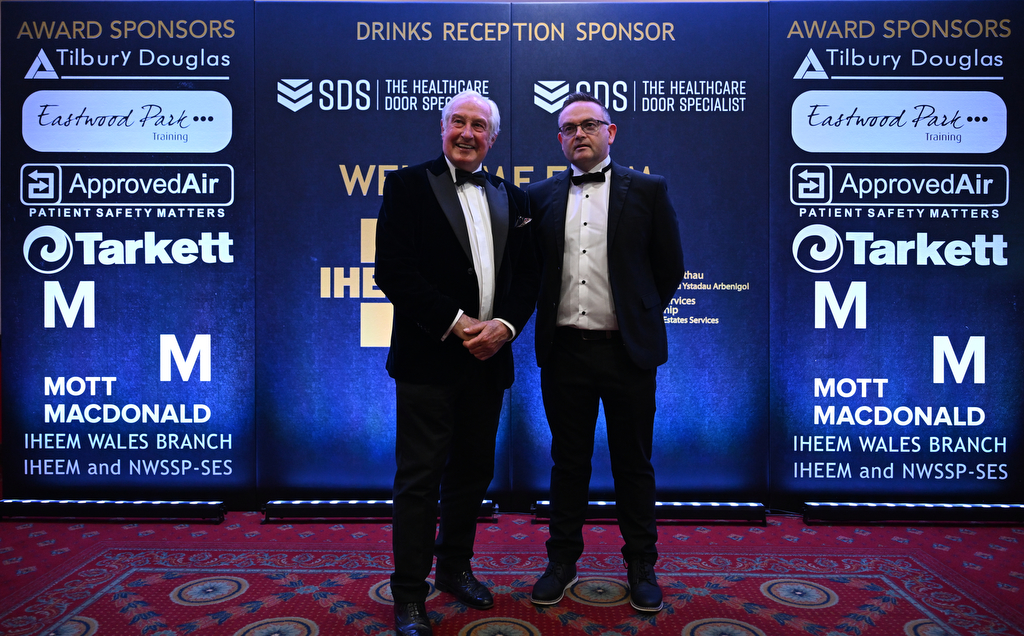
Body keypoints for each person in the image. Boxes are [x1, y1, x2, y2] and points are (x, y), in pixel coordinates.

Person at [374, 90, 535, 636]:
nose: (467, 133)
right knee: (419, 481)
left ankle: (454, 568)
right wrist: (458, 322)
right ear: (442, 129)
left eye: (479, 125)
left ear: (494, 137)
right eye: (458, 122)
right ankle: (409, 594)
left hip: (488, 362)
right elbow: (393, 271)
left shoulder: (514, 197)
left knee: (472, 475)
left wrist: (505, 327)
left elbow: (527, 278)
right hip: (428, 360)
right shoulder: (406, 185)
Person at [527, 92, 685, 612]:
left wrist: (636, 316)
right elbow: (531, 273)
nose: (580, 134)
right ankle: (561, 562)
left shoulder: (649, 190)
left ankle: (641, 565)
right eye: (569, 128)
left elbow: (669, 267)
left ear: (610, 132)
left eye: (590, 125)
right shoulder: (539, 196)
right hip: (564, 353)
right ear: (560, 139)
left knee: (633, 464)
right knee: (567, 463)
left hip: (627, 353)